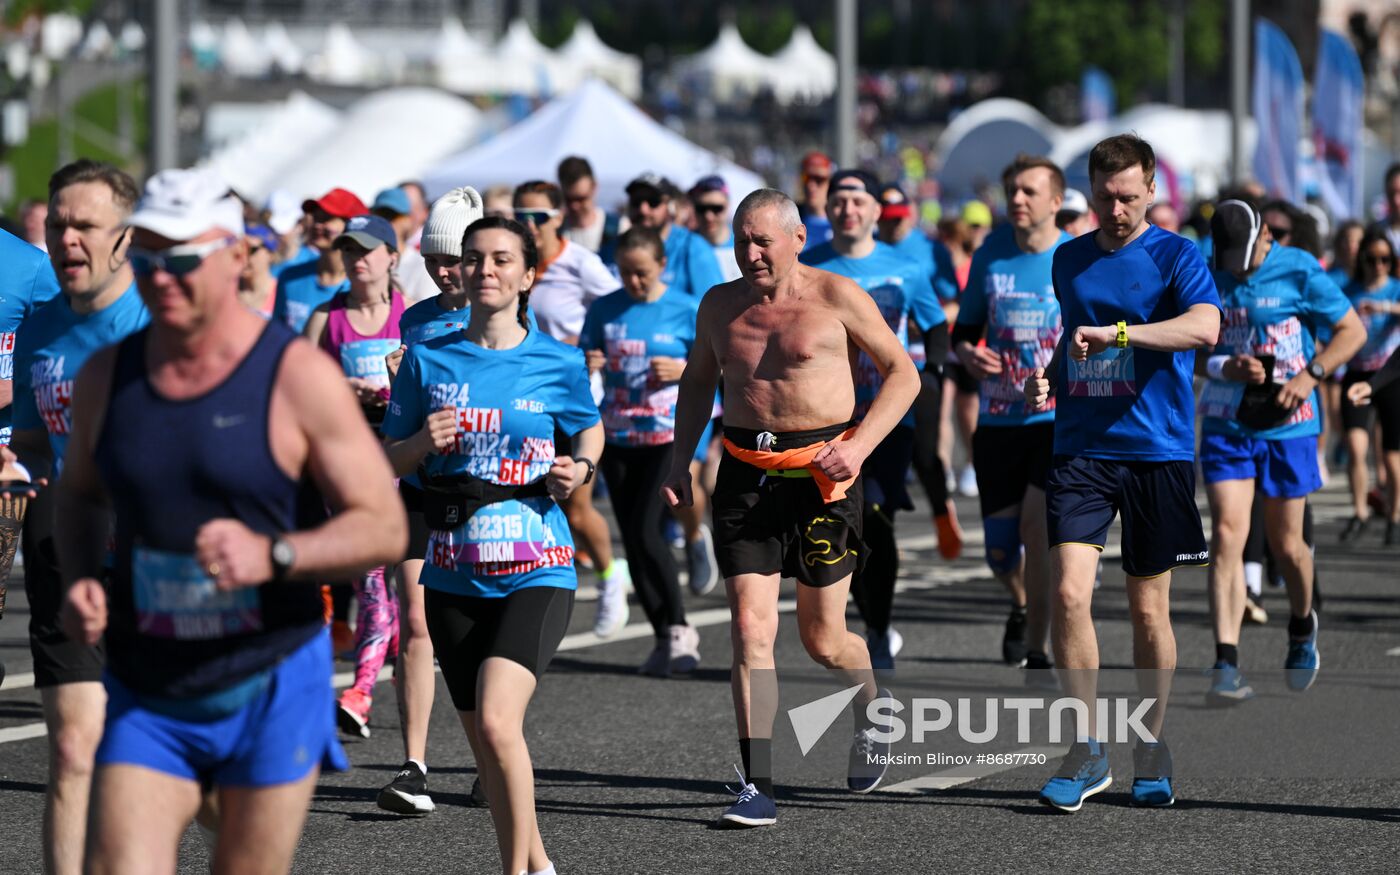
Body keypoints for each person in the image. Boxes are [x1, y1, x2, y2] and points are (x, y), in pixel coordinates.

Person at [54, 165, 405, 873]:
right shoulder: (107, 377)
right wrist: (84, 576)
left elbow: (384, 525)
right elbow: (80, 492)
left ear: (237, 257)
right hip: (151, 677)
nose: (161, 277)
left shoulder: (296, 375)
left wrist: (273, 555)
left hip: (270, 675)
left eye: (182, 259)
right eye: (145, 257)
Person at [663, 188, 919, 827]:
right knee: (751, 629)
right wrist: (677, 460)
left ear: (797, 238)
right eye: (740, 241)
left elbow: (903, 374)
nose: (749, 253)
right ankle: (758, 783)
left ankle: (872, 710)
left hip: (824, 480)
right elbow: (698, 382)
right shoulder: (719, 305)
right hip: (746, 477)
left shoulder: (835, 298)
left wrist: (858, 447)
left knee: (823, 640)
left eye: (762, 241)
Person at [383, 215, 601, 875]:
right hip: (453, 572)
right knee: (488, 747)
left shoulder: (557, 360)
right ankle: (538, 863)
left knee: (502, 725)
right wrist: (423, 443)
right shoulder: (428, 356)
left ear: (528, 275)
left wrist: (580, 470)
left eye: (502, 259)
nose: (485, 270)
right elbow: (390, 458)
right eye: (475, 258)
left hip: (537, 565)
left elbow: (587, 429)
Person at [1024, 134, 1221, 812]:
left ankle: (1151, 743)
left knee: (1147, 608)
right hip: (1080, 448)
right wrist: (1047, 382)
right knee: (1069, 595)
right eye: (1105, 197)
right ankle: (1086, 749)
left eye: (1129, 197)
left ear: (1151, 192)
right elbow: (1072, 335)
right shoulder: (1068, 257)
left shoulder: (1177, 253)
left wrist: (1124, 336)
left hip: (1157, 450)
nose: (1115, 209)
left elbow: (1204, 328)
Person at [1196, 199, 1364, 707]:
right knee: (1227, 533)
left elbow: (1351, 332)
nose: (1236, 268)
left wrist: (1310, 375)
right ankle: (1225, 661)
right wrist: (1227, 367)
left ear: (1265, 237)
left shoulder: (1299, 269)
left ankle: (1301, 621)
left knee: (1287, 544)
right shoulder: (1209, 273)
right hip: (1227, 419)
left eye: (1243, 257)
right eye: (1227, 259)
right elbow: (1196, 349)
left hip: (1288, 424)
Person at [7, 159, 123, 875]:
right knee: (74, 748)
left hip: (160, 560)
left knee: (181, 776)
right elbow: (26, 435)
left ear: (124, 236)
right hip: (61, 553)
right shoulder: (39, 326)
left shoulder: (159, 317)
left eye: (86, 224)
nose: (68, 238)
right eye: (58, 224)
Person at [800, 169, 947, 670]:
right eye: (838, 200)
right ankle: (861, 622)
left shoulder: (906, 268)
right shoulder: (807, 267)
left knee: (877, 518)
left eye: (858, 200)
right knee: (845, 526)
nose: (848, 209)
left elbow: (934, 326)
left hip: (888, 418)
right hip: (825, 418)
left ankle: (879, 628)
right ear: (827, 209)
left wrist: (936, 377)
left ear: (875, 211)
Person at [377, 185, 484, 815]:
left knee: (472, 631)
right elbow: (404, 417)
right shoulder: (415, 319)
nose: (447, 271)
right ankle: (413, 766)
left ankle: (488, 757)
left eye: (459, 258)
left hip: (487, 491)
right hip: (422, 487)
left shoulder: (510, 318)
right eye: (436, 258)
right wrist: (403, 387)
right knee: (414, 622)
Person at [953, 155, 1070, 674]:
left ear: (1056, 201)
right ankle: (1021, 603)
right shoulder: (991, 254)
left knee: (1035, 530)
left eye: (1028, 191)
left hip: (1054, 420)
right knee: (1001, 553)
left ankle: (1039, 649)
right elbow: (965, 329)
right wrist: (968, 353)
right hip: (997, 419)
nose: (1017, 200)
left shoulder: (1075, 257)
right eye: (1011, 191)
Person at [580, 227, 702, 676]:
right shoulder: (605, 308)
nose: (634, 282)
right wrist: (588, 361)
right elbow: (583, 355)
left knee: (649, 532)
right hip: (617, 437)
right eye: (626, 273)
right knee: (631, 539)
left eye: (643, 274)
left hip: (667, 437)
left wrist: (685, 369)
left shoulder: (686, 308)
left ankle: (681, 629)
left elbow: (721, 367)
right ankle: (661, 636)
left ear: (662, 266)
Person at [304, 214, 408, 738]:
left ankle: (365, 689)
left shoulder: (411, 316)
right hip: (345, 463)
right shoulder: (326, 317)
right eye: (349, 251)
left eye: (367, 250)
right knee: (370, 583)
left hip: (400, 460)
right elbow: (296, 392)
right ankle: (373, 680)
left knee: (390, 587)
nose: (356, 260)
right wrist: (342, 388)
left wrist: (396, 390)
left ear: (392, 256)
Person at [512, 181, 630, 638]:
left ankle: (609, 577)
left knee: (575, 508)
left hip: (573, 401)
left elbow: (622, 309)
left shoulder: (581, 265)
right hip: (521, 403)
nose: (529, 224)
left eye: (538, 216)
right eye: (521, 214)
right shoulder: (513, 262)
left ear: (559, 217)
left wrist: (597, 349)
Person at [877, 182, 964, 559]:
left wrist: (927, 320)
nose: (892, 226)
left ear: (910, 214)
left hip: (919, 361)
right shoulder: (867, 252)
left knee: (925, 454)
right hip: (875, 369)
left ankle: (942, 510)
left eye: (898, 219)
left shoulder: (930, 250)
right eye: (886, 219)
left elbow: (957, 304)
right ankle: (879, 529)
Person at [1339, 228, 1400, 543]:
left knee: (1391, 454)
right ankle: (1360, 511)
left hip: (1391, 375)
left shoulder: (1395, 289)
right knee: (1355, 447)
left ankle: (1394, 515)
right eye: (1372, 259)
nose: (1378, 265)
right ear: (1362, 259)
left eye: (1385, 259)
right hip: (1358, 375)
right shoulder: (1349, 290)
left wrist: (1385, 308)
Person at [605, 174, 725, 300]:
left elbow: (716, 305)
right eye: (636, 202)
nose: (643, 209)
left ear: (670, 206)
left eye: (653, 202)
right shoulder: (613, 248)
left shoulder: (693, 247)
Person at [272, 187, 366, 332]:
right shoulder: (289, 277)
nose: (317, 225)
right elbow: (275, 335)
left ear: (351, 226)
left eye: (326, 218)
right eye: (316, 217)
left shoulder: (363, 285)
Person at [558, 155, 623, 254]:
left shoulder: (620, 228)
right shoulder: (554, 232)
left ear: (594, 187)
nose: (574, 206)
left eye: (581, 199)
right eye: (568, 199)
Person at [689, 175, 742, 282]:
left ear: (728, 206)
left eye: (716, 208)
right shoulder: (683, 246)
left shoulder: (744, 243)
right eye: (701, 209)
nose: (708, 216)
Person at [796, 150, 834, 251]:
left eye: (819, 179)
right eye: (806, 178)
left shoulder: (842, 221)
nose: (811, 186)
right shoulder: (790, 218)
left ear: (831, 182)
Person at [238, 224, 279, 316]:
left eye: (251, 250)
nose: (244, 256)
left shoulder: (282, 294)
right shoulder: (226, 292)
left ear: (270, 254)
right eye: (239, 249)